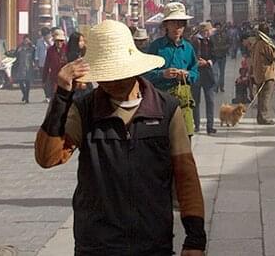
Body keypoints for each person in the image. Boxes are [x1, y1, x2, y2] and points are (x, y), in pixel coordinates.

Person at [34, 20, 206, 255]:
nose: (112, 82)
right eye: (105, 75)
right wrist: (62, 96)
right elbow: (48, 157)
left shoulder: (166, 109)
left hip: (152, 241)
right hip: (97, 244)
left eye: (118, 73)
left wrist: (195, 239)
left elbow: (186, 175)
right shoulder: (84, 110)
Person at [145, 2, 200, 136]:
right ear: (166, 25)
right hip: (161, 102)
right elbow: (145, 74)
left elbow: (195, 72)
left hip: (184, 102)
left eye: (181, 24)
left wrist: (187, 75)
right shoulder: (156, 47)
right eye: (173, 23)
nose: (177, 27)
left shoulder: (188, 48)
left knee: (185, 138)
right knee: (164, 138)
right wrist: (162, 74)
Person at [245, 27, 275, 125]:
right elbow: (273, 56)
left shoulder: (256, 44)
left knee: (260, 96)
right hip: (266, 73)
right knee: (266, 96)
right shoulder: (264, 44)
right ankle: (265, 117)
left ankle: (260, 117)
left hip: (258, 73)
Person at [190, 22, 218, 135]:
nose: (211, 32)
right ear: (205, 31)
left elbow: (215, 55)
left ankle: (210, 126)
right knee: (196, 101)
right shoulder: (194, 41)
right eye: (209, 31)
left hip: (208, 74)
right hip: (196, 74)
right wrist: (197, 62)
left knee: (210, 101)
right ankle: (196, 124)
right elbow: (190, 56)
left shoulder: (211, 41)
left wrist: (208, 62)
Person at [41, 29, 69, 99]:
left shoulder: (68, 49)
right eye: (57, 41)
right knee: (54, 97)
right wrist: (44, 79)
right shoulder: (50, 50)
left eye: (61, 41)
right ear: (54, 41)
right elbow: (46, 65)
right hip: (54, 78)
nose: (59, 43)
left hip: (65, 78)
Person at [13, 36, 36, 104]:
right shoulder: (19, 47)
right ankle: (24, 94)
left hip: (29, 68)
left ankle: (27, 98)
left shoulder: (32, 48)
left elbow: (35, 57)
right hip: (20, 67)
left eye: (27, 40)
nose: (26, 41)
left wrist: (35, 64)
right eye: (25, 40)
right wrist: (17, 51)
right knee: (20, 82)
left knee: (27, 83)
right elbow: (15, 55)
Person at [211, 21, 229, 93]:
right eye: (216, 27)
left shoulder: (225, 36)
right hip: (215, 57)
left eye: (219, 27)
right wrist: (214, 49)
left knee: (222, 73)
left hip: (223, 56)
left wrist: (223, 48)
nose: (218, 29)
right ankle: (216, 87)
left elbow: (228, 44)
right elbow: (210, 47)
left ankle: (221, 86)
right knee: (216, 73)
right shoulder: (212, 37)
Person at [36, 30, 52, 101]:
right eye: (45, 35)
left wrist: (49, 43)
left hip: (51, 64)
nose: (46, 36)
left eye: (48, 35)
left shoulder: (53, 41)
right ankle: (47, 96)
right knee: (44, 81)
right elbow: (37, 52)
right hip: (42, 64)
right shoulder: (39, 41)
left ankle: (51, 95)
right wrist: (36, 62)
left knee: (50, 80)